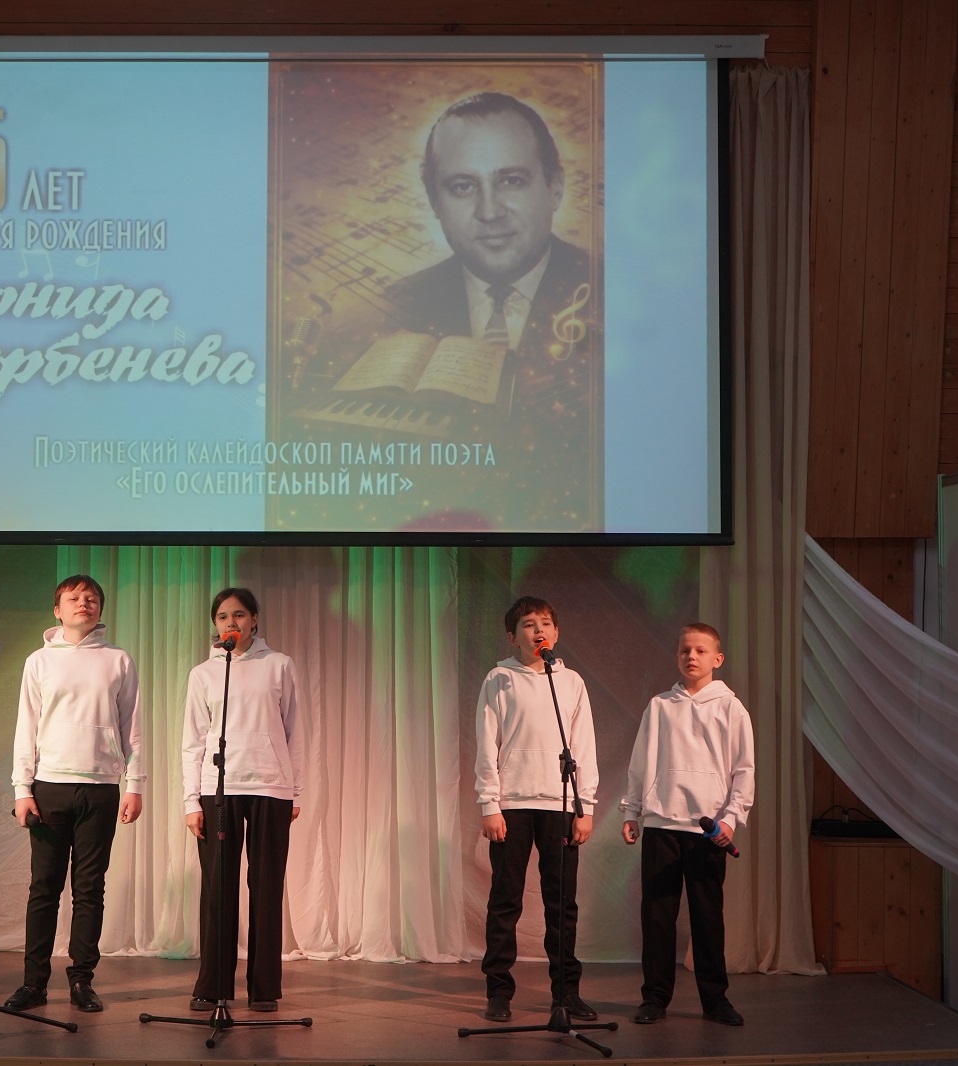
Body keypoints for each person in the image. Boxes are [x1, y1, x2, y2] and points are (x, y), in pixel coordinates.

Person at [388, 91, 601, 529]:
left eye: (512, 180)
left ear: (555, 187)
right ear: (435, 202)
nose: (489, 211)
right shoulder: (394, 308)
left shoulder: (615, 300)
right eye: (463, 187)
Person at [8, 575, 144, 1014]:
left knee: (89, 889)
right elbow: (26, 726)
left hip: (101, 787)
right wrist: (22, 788)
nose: (84, 603)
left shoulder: (118, 659)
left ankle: (82, 979)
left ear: (100, 608)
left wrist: (135, 784)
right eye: (74, 598)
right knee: (44, 888)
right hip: (49, 785)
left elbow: (132, 727)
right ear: (58, 609)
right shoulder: (39, 661)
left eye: (92, 598)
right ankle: (34, 983)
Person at [620, 623, 754, 1027]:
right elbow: (641, 762)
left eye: (700, 650)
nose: (690, 657)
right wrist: (631, 811)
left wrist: (731, 818)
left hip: (707, 831)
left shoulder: (731, 708)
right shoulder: (660, 706)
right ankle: (654, 998)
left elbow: (743, 770)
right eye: (684, 650)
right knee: (657, 916)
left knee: (707, 917)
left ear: (717, 659)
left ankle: (716, 1001)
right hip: (662, 824)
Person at [474, 595, 598, 1022]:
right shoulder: (499, 679)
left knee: (561, 903)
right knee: (505, 900)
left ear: (556, 633)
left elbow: (583, 746)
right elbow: (487, 744)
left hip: (560, 804)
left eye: (545, 623)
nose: (538, 630)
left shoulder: (571, 682)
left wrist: (585, 805)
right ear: (513, 637)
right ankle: (498, 991)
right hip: (512, 804)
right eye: (528, 624)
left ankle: (566, 993)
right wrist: (490, 803)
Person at [180, 587, 304, 1013]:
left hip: (271, 787)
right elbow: (193, 741)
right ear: (215, 625)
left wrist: (295, 790)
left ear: (254, 619)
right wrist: (190, 801)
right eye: (222, 617)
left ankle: (264, 988)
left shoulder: (279, 665)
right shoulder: (204, 674)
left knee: (266, 888)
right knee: (218, 889)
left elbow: (295, 731)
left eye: (238, 614)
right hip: (218, 789)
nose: (230, 622)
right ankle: (212, 985)